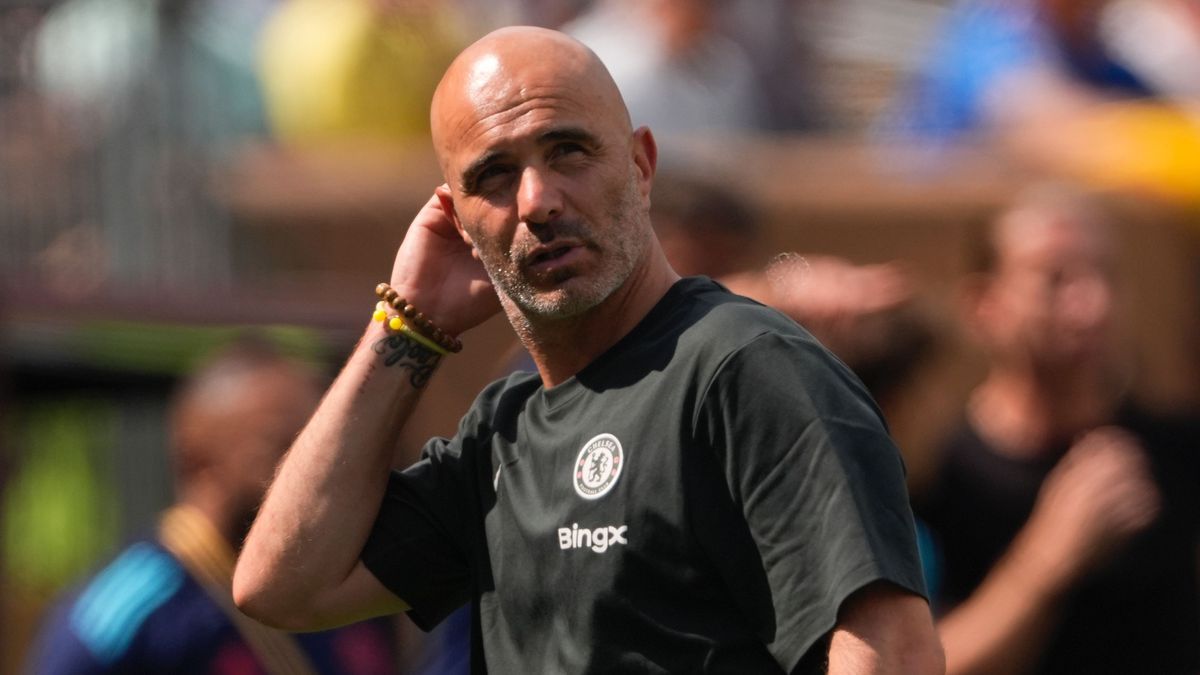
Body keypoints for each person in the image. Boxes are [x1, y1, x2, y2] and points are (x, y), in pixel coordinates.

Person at [233, 26, 944, 674]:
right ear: (457, 222)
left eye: (567, 151)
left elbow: (893, 651)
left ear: (641, 165)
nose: (537, 200)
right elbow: (283, 586)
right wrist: (405, 327)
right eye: (493, 174)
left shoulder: (746, 367)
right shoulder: (503, 431)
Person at [916, 185, 1200, 674]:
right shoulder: (942, 478)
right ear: (984, 305)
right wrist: (1048, 557)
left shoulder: (1173, 448)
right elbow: (921, 662)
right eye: (1056, 279)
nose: (1093, 305)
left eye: (1105, 274)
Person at [27, 337, 400, 674]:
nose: (313, 470)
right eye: (283, 445)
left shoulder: (348, 586)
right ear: (197, 457)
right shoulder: (131, 608)